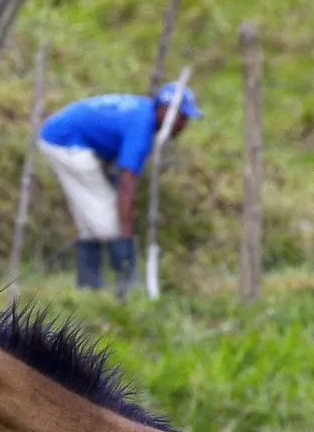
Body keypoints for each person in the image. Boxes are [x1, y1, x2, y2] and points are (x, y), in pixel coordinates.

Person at [38, 82, 203, 294]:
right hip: (65, 142)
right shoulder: (141, 129)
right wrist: (125, 235)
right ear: (166, 111)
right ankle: (123, 284)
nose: (184, 124)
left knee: (93, 213)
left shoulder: (144, 113)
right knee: (109, 219)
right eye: (183, 117)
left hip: (64, 136)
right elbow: (127, 183)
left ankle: (89, 286)